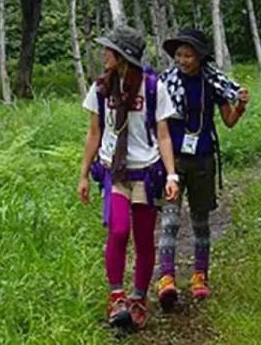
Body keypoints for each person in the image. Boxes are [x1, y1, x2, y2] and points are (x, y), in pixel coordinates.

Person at [78, 25, 180, 331]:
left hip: (145, 171)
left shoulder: (152, 87)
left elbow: (163, 134)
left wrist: (171, 174)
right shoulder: (100, 89)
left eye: (110, 49)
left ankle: (137, 299)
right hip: (114, 171)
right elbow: (94, 133)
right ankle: (116, 297)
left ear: (123, 56)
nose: (104, 53)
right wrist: (83, 174)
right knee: (119, 230)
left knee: (144, 237)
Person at [154, 28, 250, 311]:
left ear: (199, 57)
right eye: (179, 55)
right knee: (170, 220)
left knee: (200, 221)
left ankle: (200, 276)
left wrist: (241, 105)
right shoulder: (165, 85)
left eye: (188, 55)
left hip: (203, 160)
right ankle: (166, 278)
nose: (182, 60)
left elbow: (229, 121)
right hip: (173, 160)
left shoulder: (214, 84)